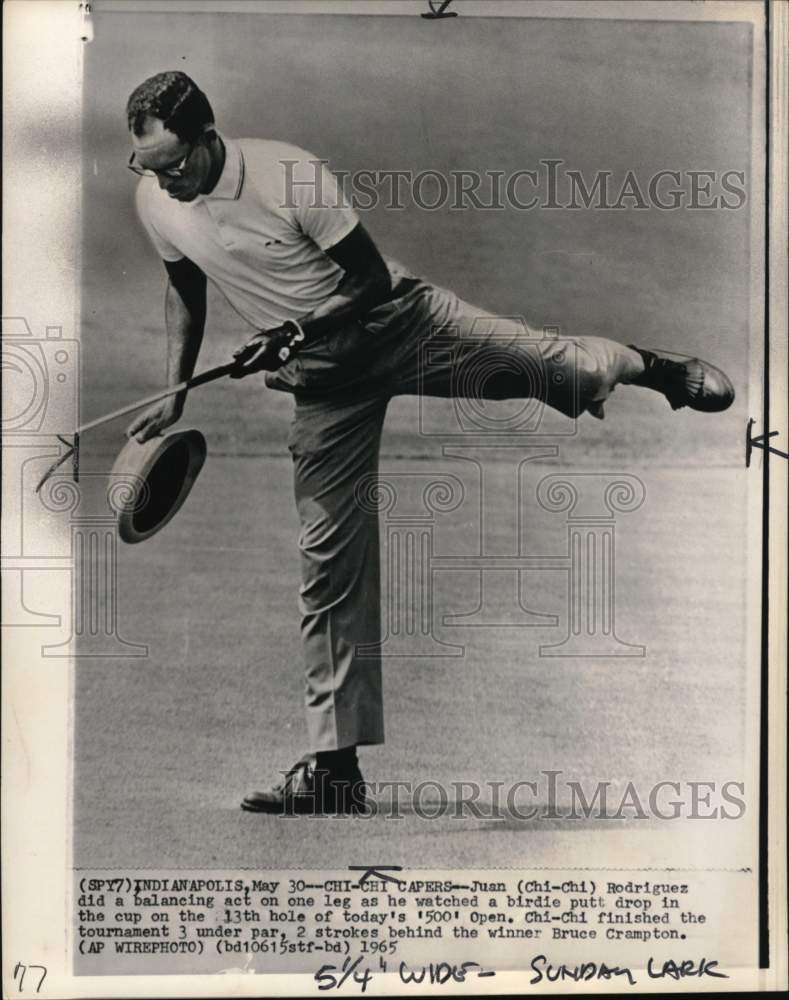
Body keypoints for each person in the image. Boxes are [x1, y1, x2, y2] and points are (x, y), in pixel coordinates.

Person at [125, 71, 734, 815]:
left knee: (557, 368)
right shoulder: (158, 199)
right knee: (328, 566)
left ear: (208, 137)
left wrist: (290, 330)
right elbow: (182, 290)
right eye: (150, 168)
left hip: (400, 327)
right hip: (324, 385)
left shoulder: (287, 174)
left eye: (177, 164)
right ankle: (335, 774)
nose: (168, 182)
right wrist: (174, 388)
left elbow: (372, 280)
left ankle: (650, 366)